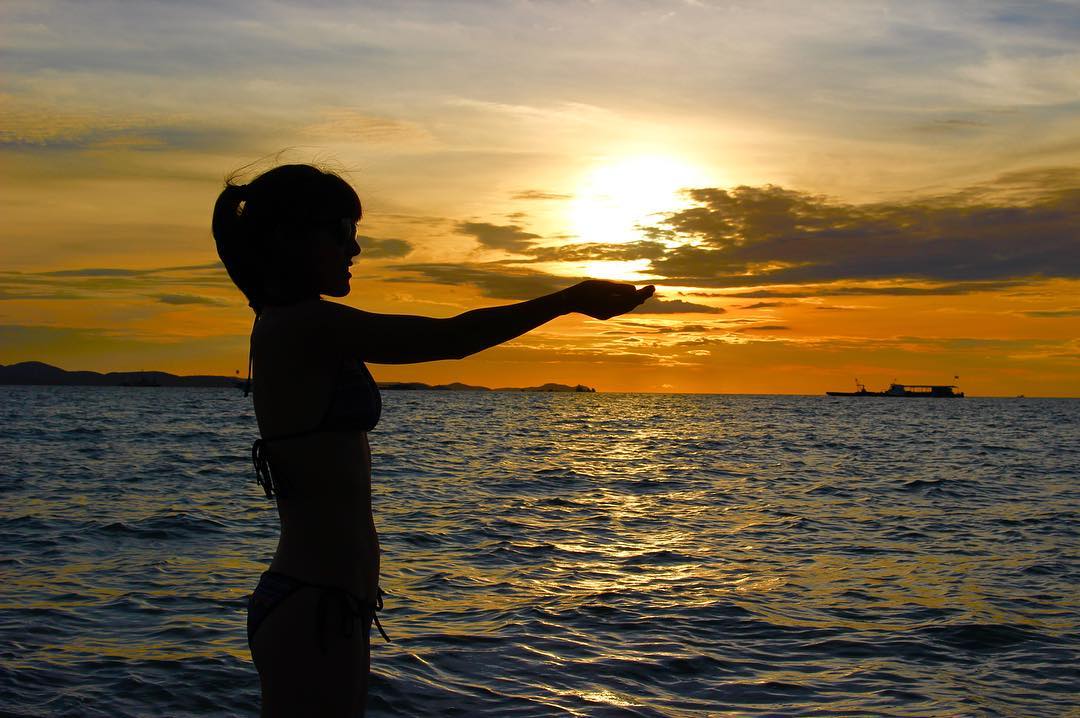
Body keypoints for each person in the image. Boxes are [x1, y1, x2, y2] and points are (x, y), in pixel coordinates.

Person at [212, 163, 654, 717]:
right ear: (291, 238)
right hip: (312, 607)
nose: (355, 249)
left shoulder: (300, 324)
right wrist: (568, 299)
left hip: (328, 603)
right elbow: (451, 339)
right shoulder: (301, 325)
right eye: (342, 231)